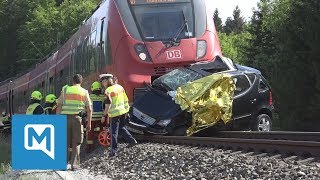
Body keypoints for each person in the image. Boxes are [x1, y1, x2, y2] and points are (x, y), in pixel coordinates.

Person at [56, 74, 92, 171]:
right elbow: (89, 109)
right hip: (77, 119)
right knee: (76, 142)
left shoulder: (65, 90)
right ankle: (74, 165)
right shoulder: (84, 92)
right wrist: (89, 123)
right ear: (81, 81)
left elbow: (59, 106)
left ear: (72, 81)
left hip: (64, 119)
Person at [100, 74, 137, 157]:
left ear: (106, 81)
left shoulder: (108, 91)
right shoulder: (119, 87)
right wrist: (127, 110)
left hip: (114, 113)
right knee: (121, 127)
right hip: (123, 111)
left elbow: (108, 105)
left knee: (113, 132)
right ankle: (132, 141)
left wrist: (104, 115)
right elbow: (125, 98)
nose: (102, 84)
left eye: (102, 81)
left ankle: (113, 151)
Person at [86, 81, 106, 152]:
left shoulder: (90, 97)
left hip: (92, 118)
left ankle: (90, 147)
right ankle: (103, 141)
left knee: (90, 132)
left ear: (92, 88)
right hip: (101, 117)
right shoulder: (103, 97)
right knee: (102, 129)